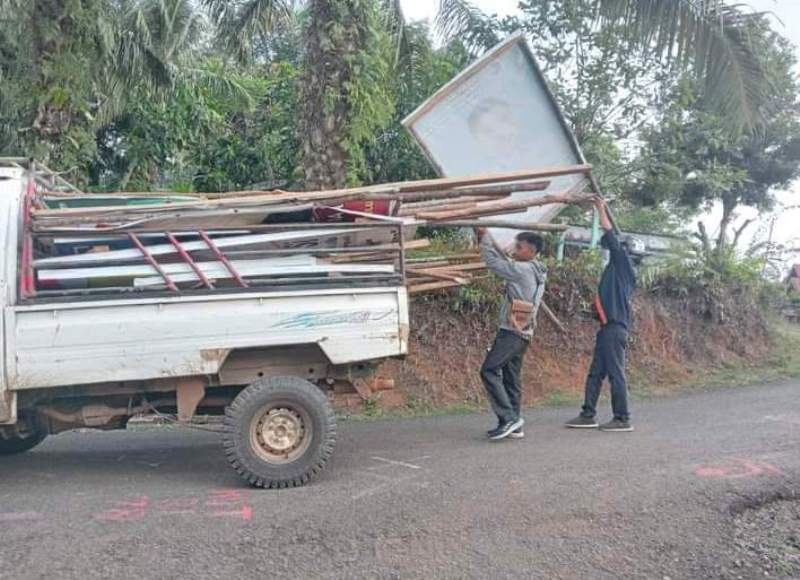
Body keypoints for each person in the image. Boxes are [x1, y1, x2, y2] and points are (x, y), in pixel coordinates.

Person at [566, 196, 637, 432]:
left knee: (616, 374)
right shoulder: (616, 273)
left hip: (615, 330)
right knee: (596, 373)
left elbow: (610, 234)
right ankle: (588, 414)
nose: (609, 248)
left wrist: (600, 207)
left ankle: (622, 418)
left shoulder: (623, 265)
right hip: (608, 329)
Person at [475, 227, 547, 441]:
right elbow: (503, 260)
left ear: (531, 251)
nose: (515, 249)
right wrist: (486, 238)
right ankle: (514, 423)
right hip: (524, 332)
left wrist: (486, 238)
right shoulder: (536, 269)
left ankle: (508, 418)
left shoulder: (523, 269)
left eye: (519, 246)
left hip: (512, 331)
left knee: (488, 370)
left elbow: (495, 264)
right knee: (511, 376)